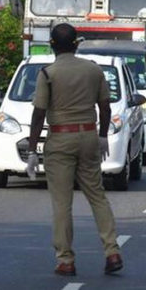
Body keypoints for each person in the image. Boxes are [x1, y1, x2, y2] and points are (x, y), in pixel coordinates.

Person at [26, 23, 122, 276]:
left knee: (62, 203)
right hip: (89, 135)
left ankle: (66, 260)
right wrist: (102, 136)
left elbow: (39, 114)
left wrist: (33, 149)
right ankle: (112, 251)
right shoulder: (93, 70)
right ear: (76, 44)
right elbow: (106, 107)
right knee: (97, 195)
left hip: (60, 140)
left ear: (52, 45)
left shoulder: (48, 74)